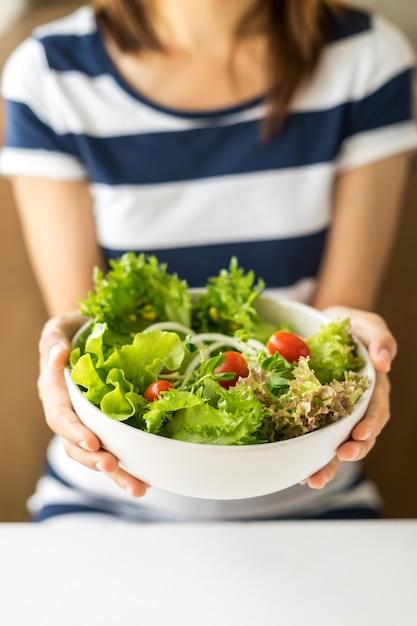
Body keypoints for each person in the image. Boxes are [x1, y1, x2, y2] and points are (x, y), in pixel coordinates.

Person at [1, 0, 416, 522]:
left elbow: (333, 328)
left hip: (309, 480)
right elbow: (92, 335)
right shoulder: (50, 73)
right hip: (110, 487)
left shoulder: (367, 59)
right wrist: (60, 358)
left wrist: (358, 355)